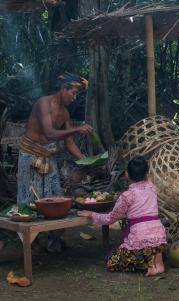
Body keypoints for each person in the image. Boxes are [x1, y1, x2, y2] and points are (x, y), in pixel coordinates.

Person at [17, 72, 93, 255]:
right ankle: (32, 243)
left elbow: (69, 143)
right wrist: (78, 128)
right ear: (62, 88)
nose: (74, 98)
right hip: (30, 157)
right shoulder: (43, 103)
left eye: (76, 94)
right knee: (30, 199)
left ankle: (55, 239)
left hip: (48, 157)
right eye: (73, 93)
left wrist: (88, 162)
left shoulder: (65, 113)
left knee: (56, 197)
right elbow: (50, 134)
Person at [77, 156, 166, 277]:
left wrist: (91, 214)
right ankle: (157, 260)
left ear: (127, 175)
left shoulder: (127, 196)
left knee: (112, 261)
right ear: (148, 175)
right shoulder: (151, 187)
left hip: (142, 242)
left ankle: (148, 263)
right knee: (148, 248)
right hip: (160, 241)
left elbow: (110, 219)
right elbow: (141, 201)